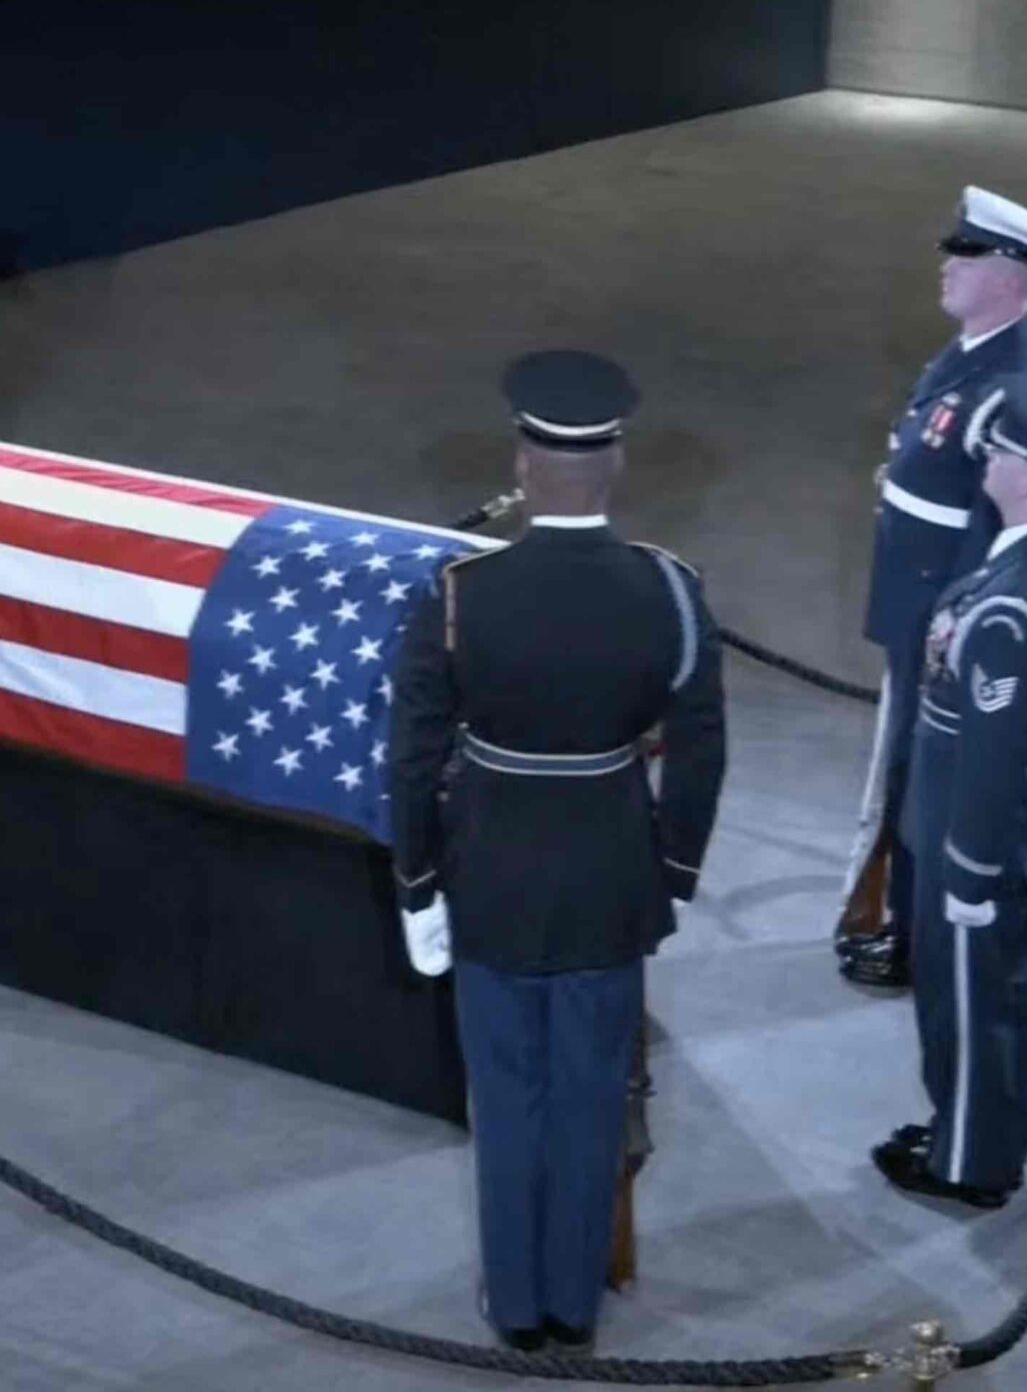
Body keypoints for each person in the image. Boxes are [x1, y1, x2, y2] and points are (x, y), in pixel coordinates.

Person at [389, 350, 726, 1352]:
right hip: (611, 873)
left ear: (523, 467)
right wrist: (669, 868)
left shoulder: (459, 592)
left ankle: (518, 1301)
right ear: (613, 464)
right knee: (589, 1092)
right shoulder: (668, 590)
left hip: (488, 870)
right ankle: (573, 1301)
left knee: (506, 1095)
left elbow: (410, 759)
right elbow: (700, 747)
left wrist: (417, 887)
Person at [873, 374, 1027, 1210]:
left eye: (1000, 448)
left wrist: (970, 872)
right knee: (1004, 992)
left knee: (970, 1007)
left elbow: (989, 754)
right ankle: (972, 1135)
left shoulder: (1008, 612)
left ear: (1025, 476)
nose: (985, 454)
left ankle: (969, 1162)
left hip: (977, 840)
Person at [836, 187, 1027, 990]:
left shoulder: (1013, 379)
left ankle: (910, 936)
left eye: (965, 255)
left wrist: (959, 619)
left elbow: (1007, 519)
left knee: (919, 781)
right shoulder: (973, 349)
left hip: (942, 607)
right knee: (904, 769)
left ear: (1008, 272)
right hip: (916, 594)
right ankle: (901, 923)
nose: (946, 264)